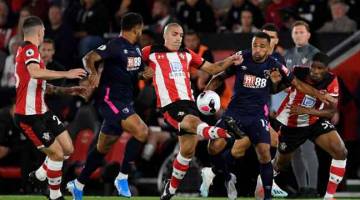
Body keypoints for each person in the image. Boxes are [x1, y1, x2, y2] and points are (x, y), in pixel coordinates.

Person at [200, 32, 335, 200]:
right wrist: (207, 92)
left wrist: (319, 95)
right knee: (214, 147)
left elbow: (297, 84)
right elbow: (220, 76)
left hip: (258, 116)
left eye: (261, 46)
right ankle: (220, 173)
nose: (257, 50)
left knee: (264, 153)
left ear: (268, 48)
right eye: (254, 45)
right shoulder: (241, 58)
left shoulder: (275, 64)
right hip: (235, 112)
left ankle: (268, 194)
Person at [141, 22, 244, 200]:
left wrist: (230, 60)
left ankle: (170, 190)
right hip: (170, 105)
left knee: (187, 151)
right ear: (165, 35)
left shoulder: (187, 54)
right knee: (191, 122)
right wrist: (142, 72)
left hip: (190, 104)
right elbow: (131, 65)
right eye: (174, 34)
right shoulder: (150, 51)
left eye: (180, 35)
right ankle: (225, 132)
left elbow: (213, 68)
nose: (178, 38)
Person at [66, 12, 151, 199]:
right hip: (110, 100)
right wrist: (93, 72)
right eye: (141, 27)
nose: (141, 31)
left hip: (125, 101)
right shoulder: (115, 45)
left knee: (102, 148)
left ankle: (78, 184)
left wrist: (144, 74)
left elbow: (136, 72)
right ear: (137, 27)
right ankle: (122, 177)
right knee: (142, 131)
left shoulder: (136, 49)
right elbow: (88, 57)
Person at [13, 16, 87, 200]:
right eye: (44, 30)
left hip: (43, 112)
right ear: (39, 31)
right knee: (56, 154)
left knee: (68, 149)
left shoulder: (35, 55)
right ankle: (55, 195)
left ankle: (39, 174)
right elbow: (35, 73)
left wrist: (69, 90)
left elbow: (44, 87)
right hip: (29, 116)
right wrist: (67, 73)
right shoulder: (29, 49)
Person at [269, 52, 348, 200]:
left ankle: (329, 196)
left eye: (320, 68)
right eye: (314, 67)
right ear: (309, 65)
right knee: (281, 164)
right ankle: (264, 182)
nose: (316, 71)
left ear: (327, 69)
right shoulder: (298, 72)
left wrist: (308, 111)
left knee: (340, 151)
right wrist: (274, 82)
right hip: (292, 124)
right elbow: (274, 90)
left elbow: (332, 110)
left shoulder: (332, 80)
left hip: (314, 121)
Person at [284, 20, 321, 197]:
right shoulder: (288, 54)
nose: (298, 35)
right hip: (291, 107)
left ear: (308, 34)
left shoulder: (316, 54)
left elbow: (322, 81)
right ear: (292, 35)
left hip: (308, 106)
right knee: (294, 150)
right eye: (295, 32)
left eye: (301, 32)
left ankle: (313, 188)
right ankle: (302, 188)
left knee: (307, 147)